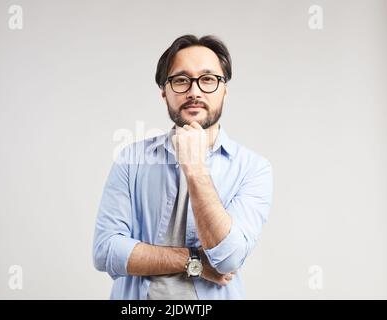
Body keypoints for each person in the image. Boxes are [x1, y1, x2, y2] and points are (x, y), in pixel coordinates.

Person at [93, 34, 273, 299]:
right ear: (164, 93)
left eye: (208, 79)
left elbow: (228, 259)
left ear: (225, 90)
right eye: (181, 80)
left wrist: (195, 167)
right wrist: (194, 262)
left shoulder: (254, 168)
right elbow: (106, 251)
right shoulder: (131, 160)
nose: (194, 91)